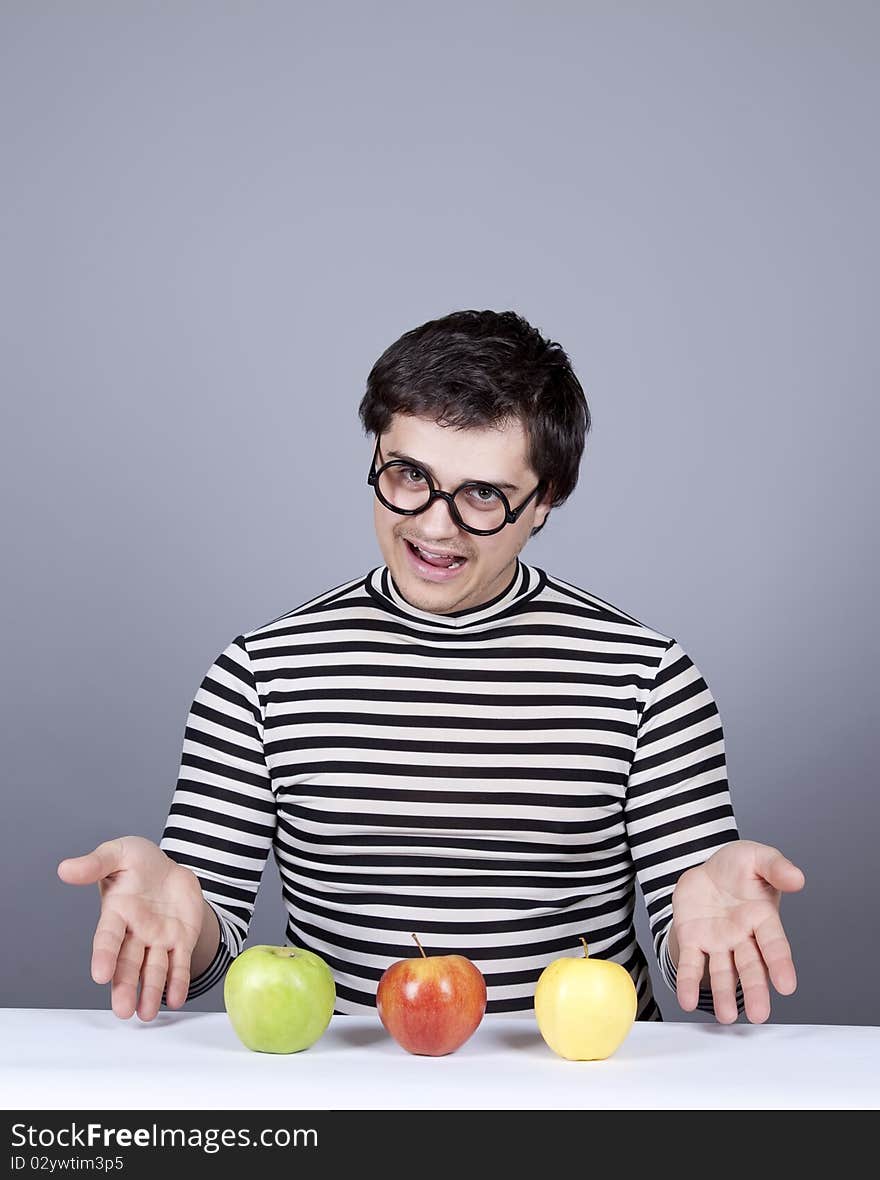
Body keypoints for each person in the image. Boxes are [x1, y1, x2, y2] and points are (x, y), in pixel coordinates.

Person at [58, 309, 806, 1028]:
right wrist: (175, 932)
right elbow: (198, 950)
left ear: (545, 499)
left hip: (575, 1097)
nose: (433, 524)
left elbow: (705, 963)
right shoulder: (259, 673)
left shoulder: (647, 679)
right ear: (375, 455)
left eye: (483, 494)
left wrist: (717, 950)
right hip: (349, 1100)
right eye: (409, 474)